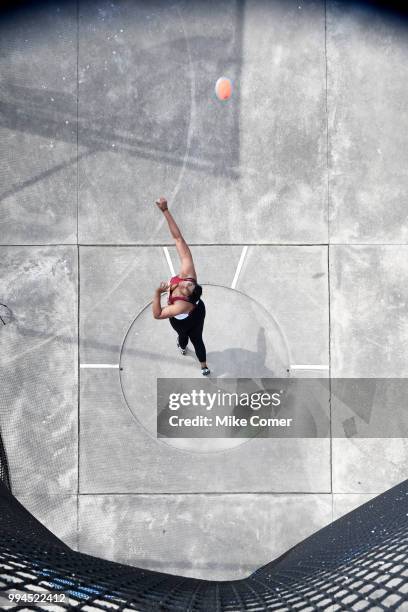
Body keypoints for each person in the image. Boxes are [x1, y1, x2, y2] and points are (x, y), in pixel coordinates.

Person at [152, 197, 210, 376]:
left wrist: (157, 292)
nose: (185, 282)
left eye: (186, 287)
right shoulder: (189, 274)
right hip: (199, 311)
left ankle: (203, 365)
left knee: (191, 338)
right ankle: (197, 360)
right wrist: (165, 211)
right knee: (194, 337)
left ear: (187, 296)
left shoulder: (180, 306)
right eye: (189, 283)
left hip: (186, 319)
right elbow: (178, 239)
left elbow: (158, 314)